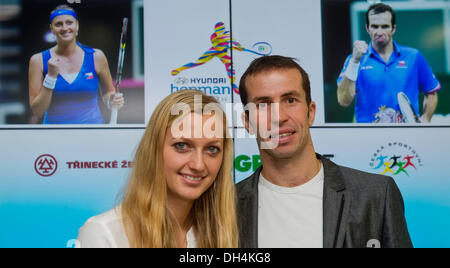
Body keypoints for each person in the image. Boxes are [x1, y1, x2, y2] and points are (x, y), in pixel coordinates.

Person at [237, 55, 413, 248]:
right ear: (247, 122)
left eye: (290, 100)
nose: (279, 117)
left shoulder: (377, 194)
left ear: (311, 112)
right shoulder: (226, 206)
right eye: (263, 104)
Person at [76, 90, 238, 248]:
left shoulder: (225, 232)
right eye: (181, 146)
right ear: (154, 149)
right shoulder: (104, 233)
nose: (198, 165)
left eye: (212, 150)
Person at [337, 3, 440, 123]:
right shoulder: (353, 60)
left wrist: (426, 118)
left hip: (408, 135)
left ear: (393, 28)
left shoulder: (413, 56)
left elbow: (431, 93)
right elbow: (343, 101)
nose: (379, 32)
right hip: (368, 136)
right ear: (367, 28)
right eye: (374, 26)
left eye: (385, 26)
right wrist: (355, 61)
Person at [28, 5, 124, 124]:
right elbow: (38, 110)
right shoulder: (38, 60)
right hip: (54, 136)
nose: (64, 28)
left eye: (69, 23)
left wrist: (112, 101)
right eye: (58, 24)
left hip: (93, 133)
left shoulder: (96, 56)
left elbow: (108, 94)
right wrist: (51, 77)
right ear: (51, 29)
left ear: (77, 25)